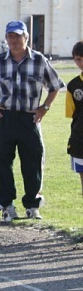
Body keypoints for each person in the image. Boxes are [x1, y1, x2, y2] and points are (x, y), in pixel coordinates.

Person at [0, 20, 64, 222]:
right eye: (10, 36)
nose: (13, 40)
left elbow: (55, 85)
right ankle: (7, 206)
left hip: (29, 118)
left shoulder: (39, 60)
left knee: (33, 162)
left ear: (26, 37)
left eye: (17, 36)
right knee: (2, 162)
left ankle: (32, 206)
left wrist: (45, 107)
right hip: (5, 117)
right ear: (6, 38)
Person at [66, 41, 83, 196]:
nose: (81, 63)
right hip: (80, 139)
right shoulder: (73, 86)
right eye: (78, 59)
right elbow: (71, 113)